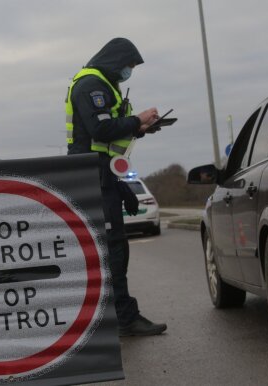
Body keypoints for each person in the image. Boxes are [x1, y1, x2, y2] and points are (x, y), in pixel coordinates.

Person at [65, 37, 167, 336]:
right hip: (92, 176)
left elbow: (107, 137)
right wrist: (137, 120)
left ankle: (116, 316)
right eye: (129, 65)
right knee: (112, 250)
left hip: (103, 175)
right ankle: (122, 318)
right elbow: (100, 128)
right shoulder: (91, 86)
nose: (129, 71)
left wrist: (141, 127)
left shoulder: (104, 85)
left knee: (113, 248)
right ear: (116, 61)